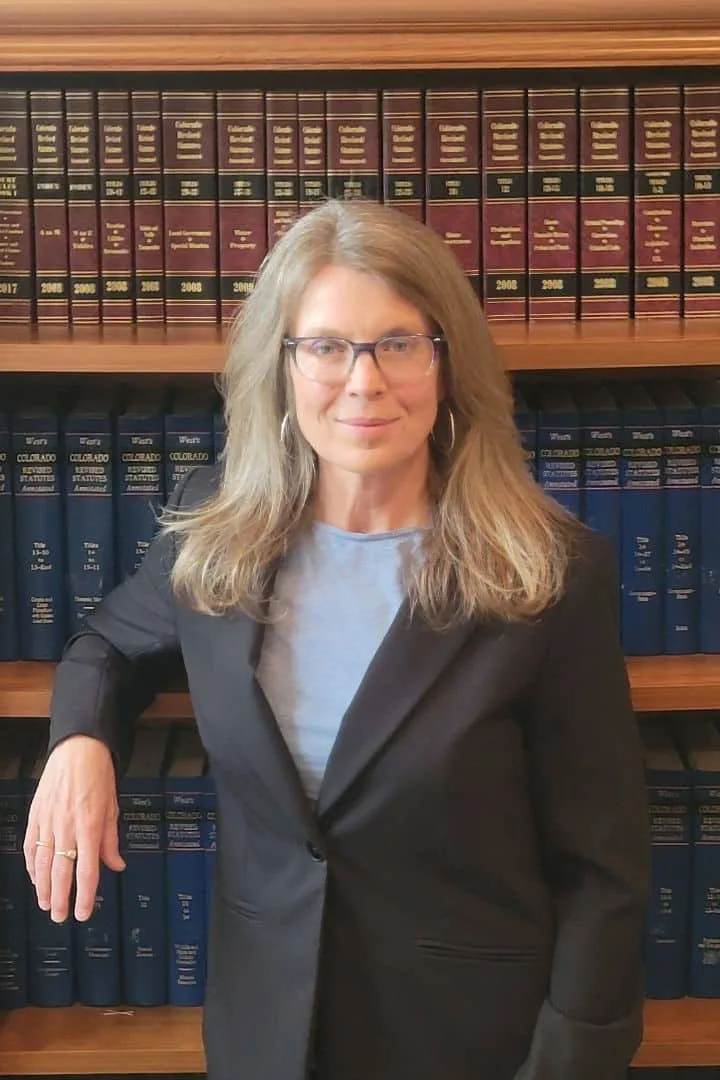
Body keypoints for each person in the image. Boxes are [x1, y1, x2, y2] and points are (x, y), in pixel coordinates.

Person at [24, 198, 650, 1080]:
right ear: (280, 368)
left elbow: (604, 871)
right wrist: (80, 739)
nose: (364, 381)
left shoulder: (546, 576)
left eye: (398, 343)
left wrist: (572, 1063)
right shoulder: (217, 530)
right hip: (265, 1034)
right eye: (324, 346)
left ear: (446, 363)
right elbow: (110, 647)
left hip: (473, 1044)